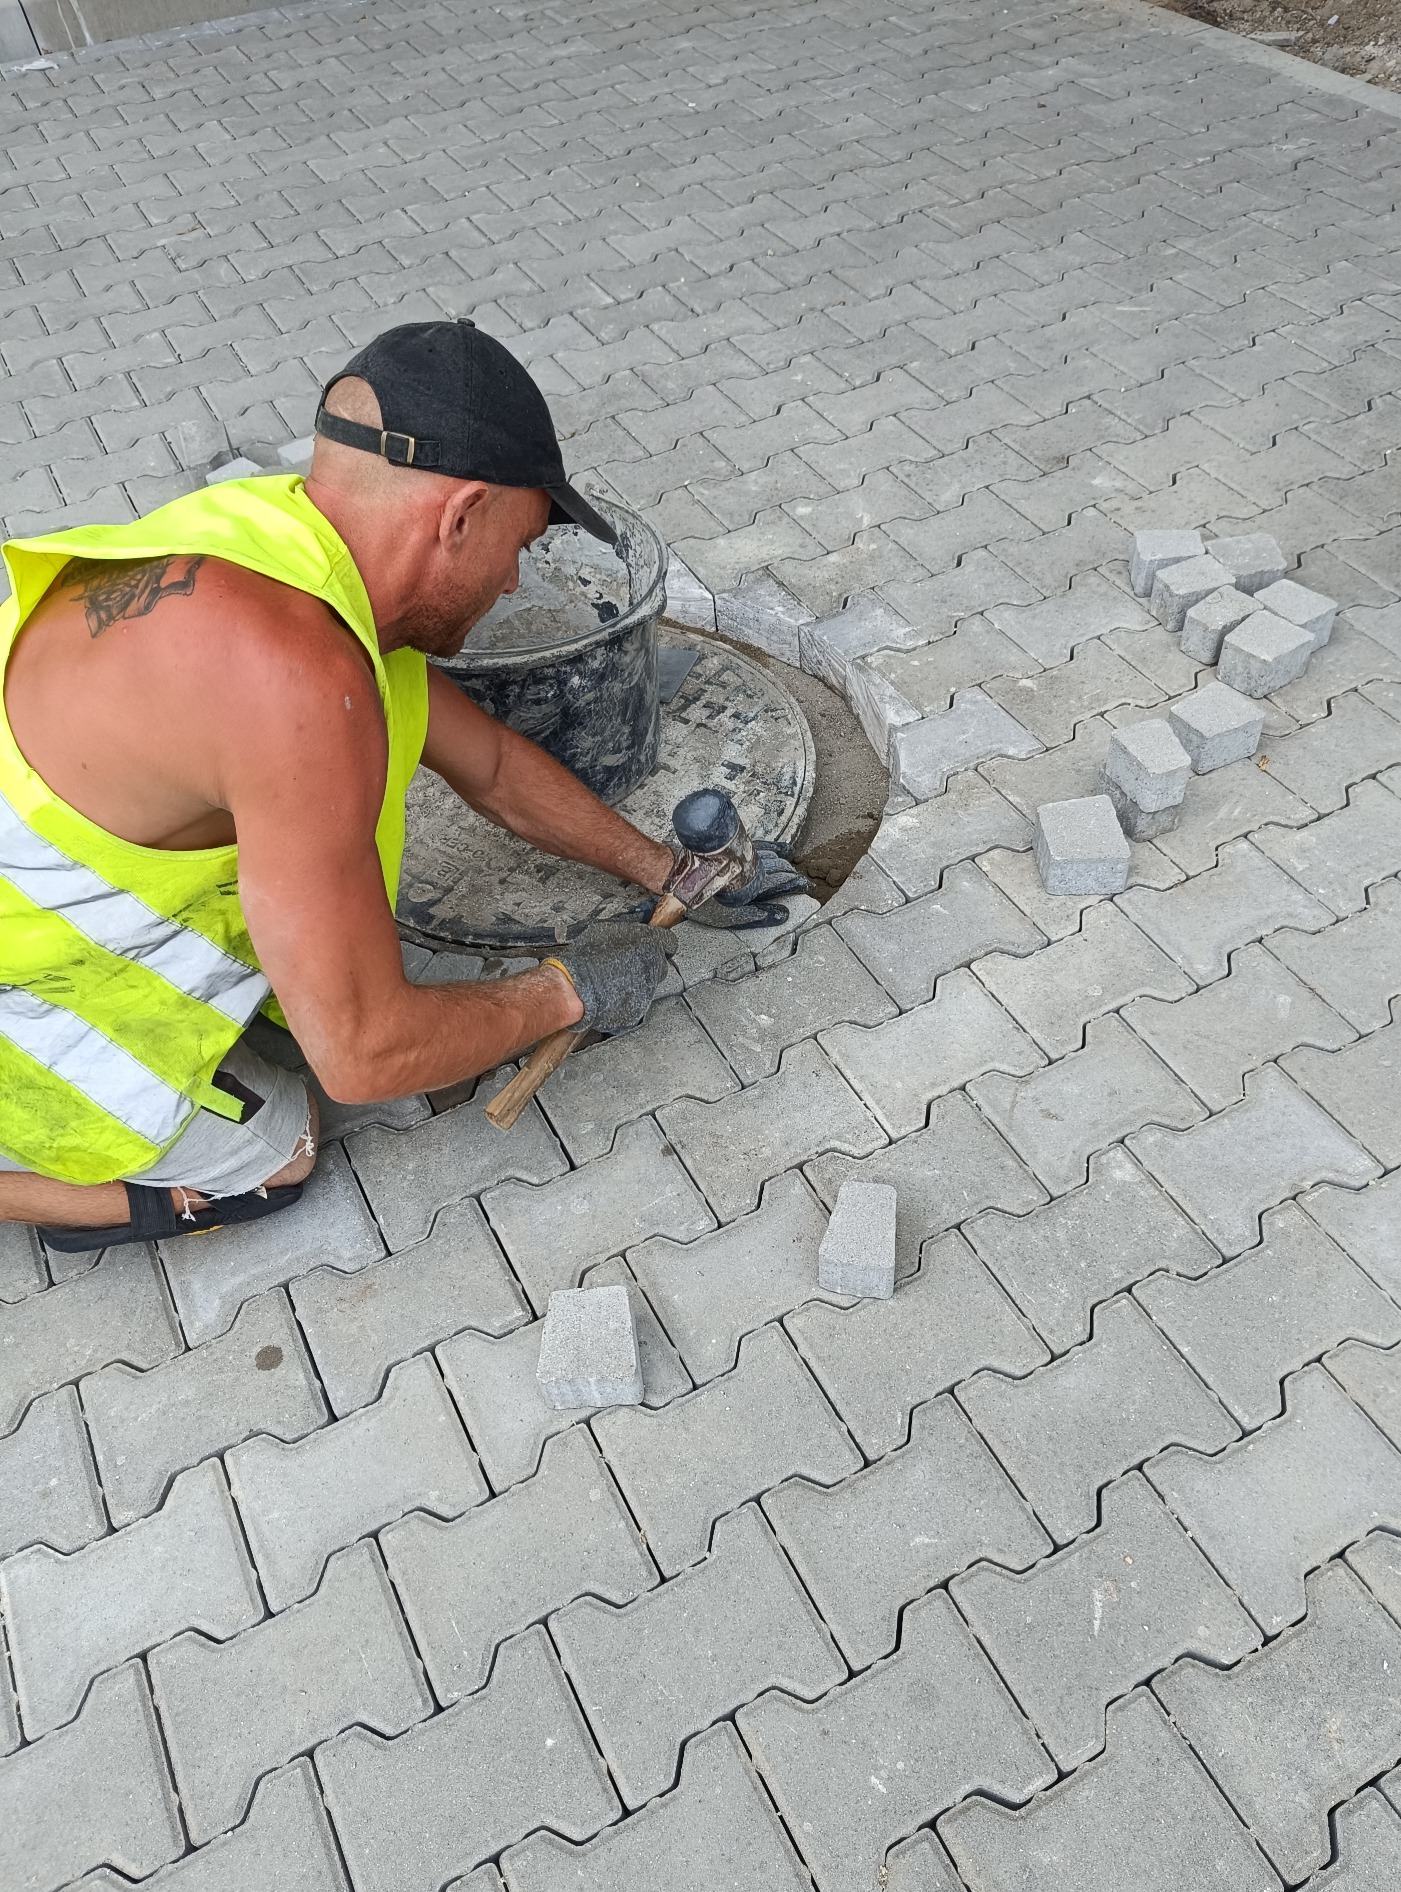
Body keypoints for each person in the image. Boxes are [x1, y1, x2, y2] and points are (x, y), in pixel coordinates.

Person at [0, 320, 805, 1250]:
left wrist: (668, 869)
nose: (511, 584)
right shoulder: (291, 679)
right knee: (281, 1151)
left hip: (45, 906)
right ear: (459, 514)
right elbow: (364, 1053)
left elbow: (494, 769)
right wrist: (568, 991)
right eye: (522, 545)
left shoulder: (301, 561)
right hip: (25, 995)